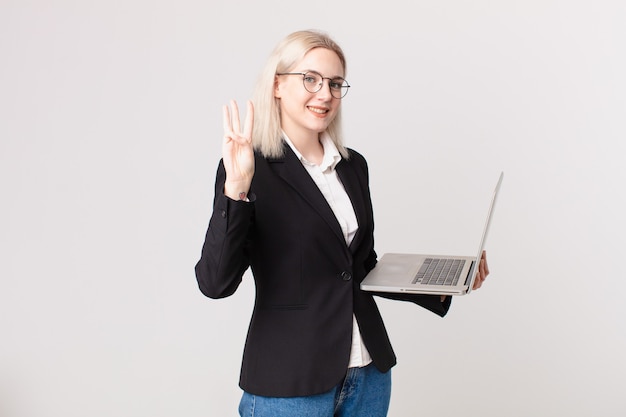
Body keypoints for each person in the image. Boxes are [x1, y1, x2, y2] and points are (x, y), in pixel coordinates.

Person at [195, 29, 490, 417]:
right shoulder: (250, 170)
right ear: (277, 85)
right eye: (311, 79)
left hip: (367, 375)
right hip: (292, 382)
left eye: (335, 84)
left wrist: (445, 282)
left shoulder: (352, 166)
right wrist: (235, 190)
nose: (325, 94)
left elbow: (359, 265)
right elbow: (215, 282)